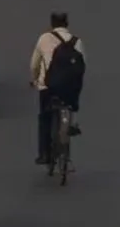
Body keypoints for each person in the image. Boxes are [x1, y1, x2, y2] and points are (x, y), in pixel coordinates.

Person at [30, 11, 85, 165]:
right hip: (69, 87)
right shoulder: (76, 41)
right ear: (67, 24)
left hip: (47, 87)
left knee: (44, 118)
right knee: (72, 105)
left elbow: (34, 64)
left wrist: (35, 80)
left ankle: (44, 154)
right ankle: (72, 125)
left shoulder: (44, 38)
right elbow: (82, 65)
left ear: (52, 24)